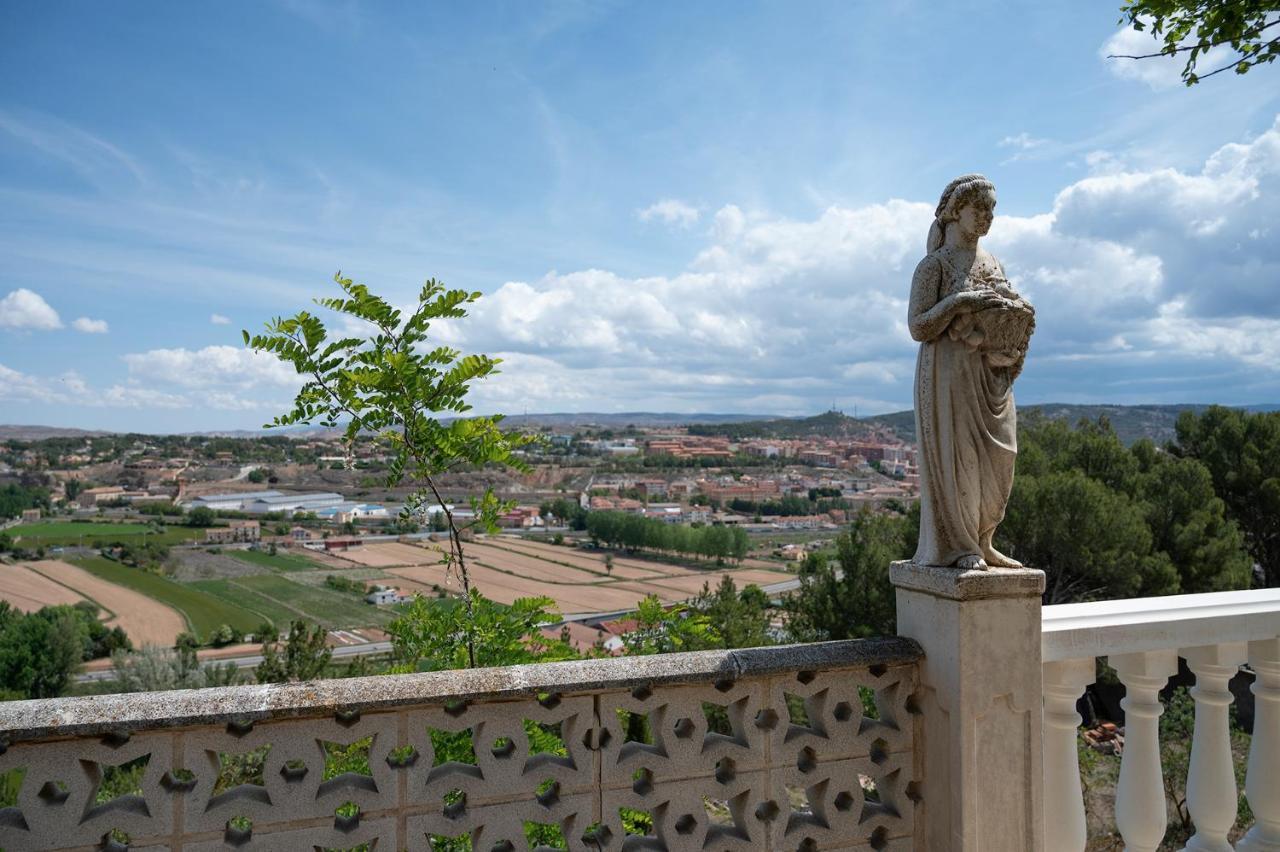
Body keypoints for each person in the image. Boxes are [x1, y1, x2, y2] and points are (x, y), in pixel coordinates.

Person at [908, 174, 1034, 570]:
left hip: (989, 371)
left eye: (992, 209)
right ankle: (961, 547)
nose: (987, 216)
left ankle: (984, 539)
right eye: (979, 208)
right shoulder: (934, 266)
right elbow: (918, 327)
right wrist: (960, 301)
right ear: (955, 211)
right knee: (960, 458)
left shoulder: (992, 261)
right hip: (949, 373)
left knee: (1001, 456)